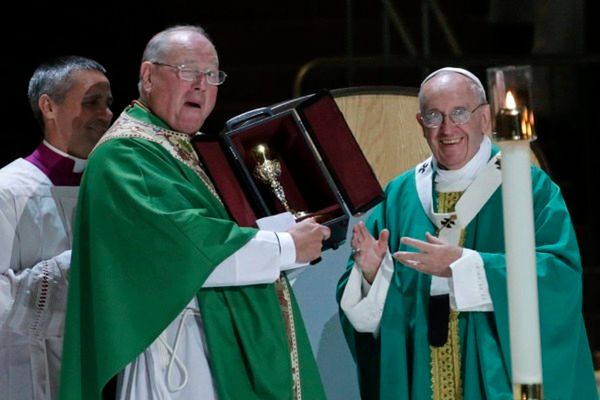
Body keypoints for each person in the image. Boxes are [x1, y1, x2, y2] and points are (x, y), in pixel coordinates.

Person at [59, 25, 330, 400]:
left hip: (212, 341)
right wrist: (285, 246)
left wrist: (290, 235)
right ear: (148, 76)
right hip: (179, 355)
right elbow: (186, 249)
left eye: (211, 75)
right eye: (187, 71)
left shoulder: (185, 148)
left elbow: (223, 232)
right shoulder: (124, 156)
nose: (201, 85)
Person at [337, 67, 598, 399]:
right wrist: (373, 276)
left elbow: (559, 276)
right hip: (422, 379)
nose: (447, 129)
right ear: (421, 124)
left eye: (459, 113)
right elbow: (363, 305)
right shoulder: (400, 196)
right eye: (434, 116)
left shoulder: (527, 187)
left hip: (494, 377)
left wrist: (465, 264)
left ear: (485, 118)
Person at [0, 56, 113, 400]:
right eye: (92, 103)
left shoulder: (112, 188)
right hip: (29, 378)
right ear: (48, 106)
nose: (107, 115)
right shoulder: (9, 189)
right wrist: (75, 267)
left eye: (108, 104)